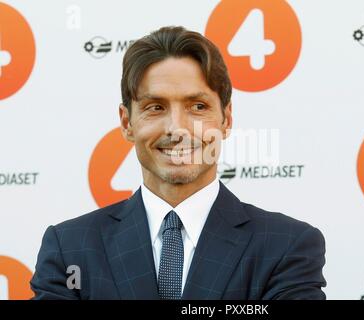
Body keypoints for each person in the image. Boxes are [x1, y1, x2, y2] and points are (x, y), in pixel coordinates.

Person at [30, 26, 326, 300]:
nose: (177, 128)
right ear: (126, 122)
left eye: (198, 106)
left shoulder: (286, 247)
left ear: (226, 120)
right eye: (155, 107)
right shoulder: (70, 249)